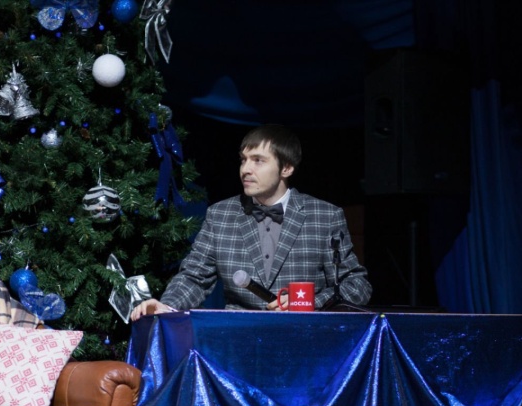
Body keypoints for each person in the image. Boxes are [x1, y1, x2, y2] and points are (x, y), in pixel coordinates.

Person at [130, 123, 371, 320]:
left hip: (304, 338)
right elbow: (194, 278)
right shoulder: (220, 215)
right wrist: (166, 306)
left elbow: (356, 286)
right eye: (243, 160)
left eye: (258, 160)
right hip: (237, 338)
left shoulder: (324, 216)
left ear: (287, 168)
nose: (245, 169)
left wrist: (308, 302)